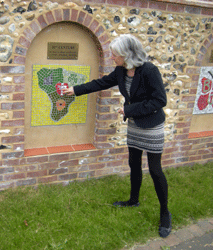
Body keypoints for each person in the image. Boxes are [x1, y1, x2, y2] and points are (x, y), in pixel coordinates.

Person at [63, 34, 171, 238]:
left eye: (115, 55)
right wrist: (74, 90)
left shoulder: (149, 70)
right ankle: (133, 200)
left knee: (155, 170)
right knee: (134, 163)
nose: (112, 57)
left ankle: (165, 212)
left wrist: (129, 111)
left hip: (152, 125)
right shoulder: (121, 71)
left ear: (127, 54)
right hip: (135, 125)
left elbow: (160, 100)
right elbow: (101, 83)